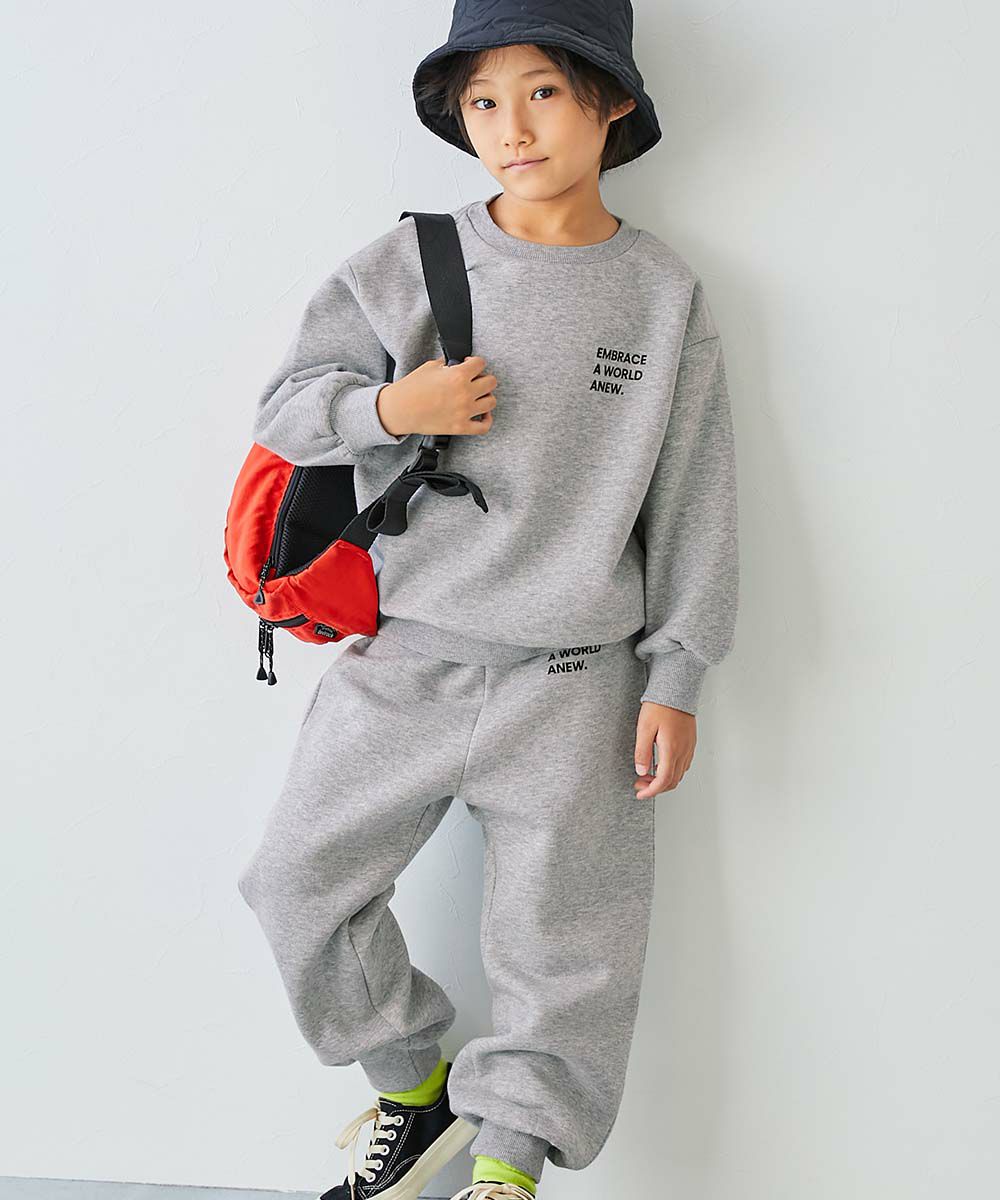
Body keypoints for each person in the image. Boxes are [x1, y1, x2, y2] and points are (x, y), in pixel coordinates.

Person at [236, 2, 739, 1198]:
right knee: (296, 880)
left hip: (577, 681)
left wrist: (677, 674)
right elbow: (285, 412)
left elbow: (695, 497)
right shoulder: (407, 262)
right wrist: (386, 411)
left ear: (612, 103)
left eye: (543, 91)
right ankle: (414, 1091)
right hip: (406, 660)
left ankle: (506, 1171)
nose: (510, 126)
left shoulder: (660, 294)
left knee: (568, 951)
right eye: (480, 101)